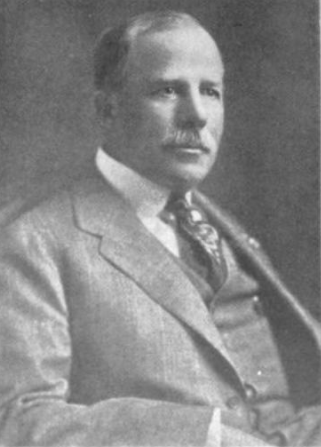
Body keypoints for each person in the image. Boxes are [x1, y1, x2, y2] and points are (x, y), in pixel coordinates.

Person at [0, 10, 320, 447]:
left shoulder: (221, 225)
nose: (197, 116)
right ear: (106, 108)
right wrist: (201, 436)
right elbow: (20, 422)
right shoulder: (34, 243)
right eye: (168, 90)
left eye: (210, 92)